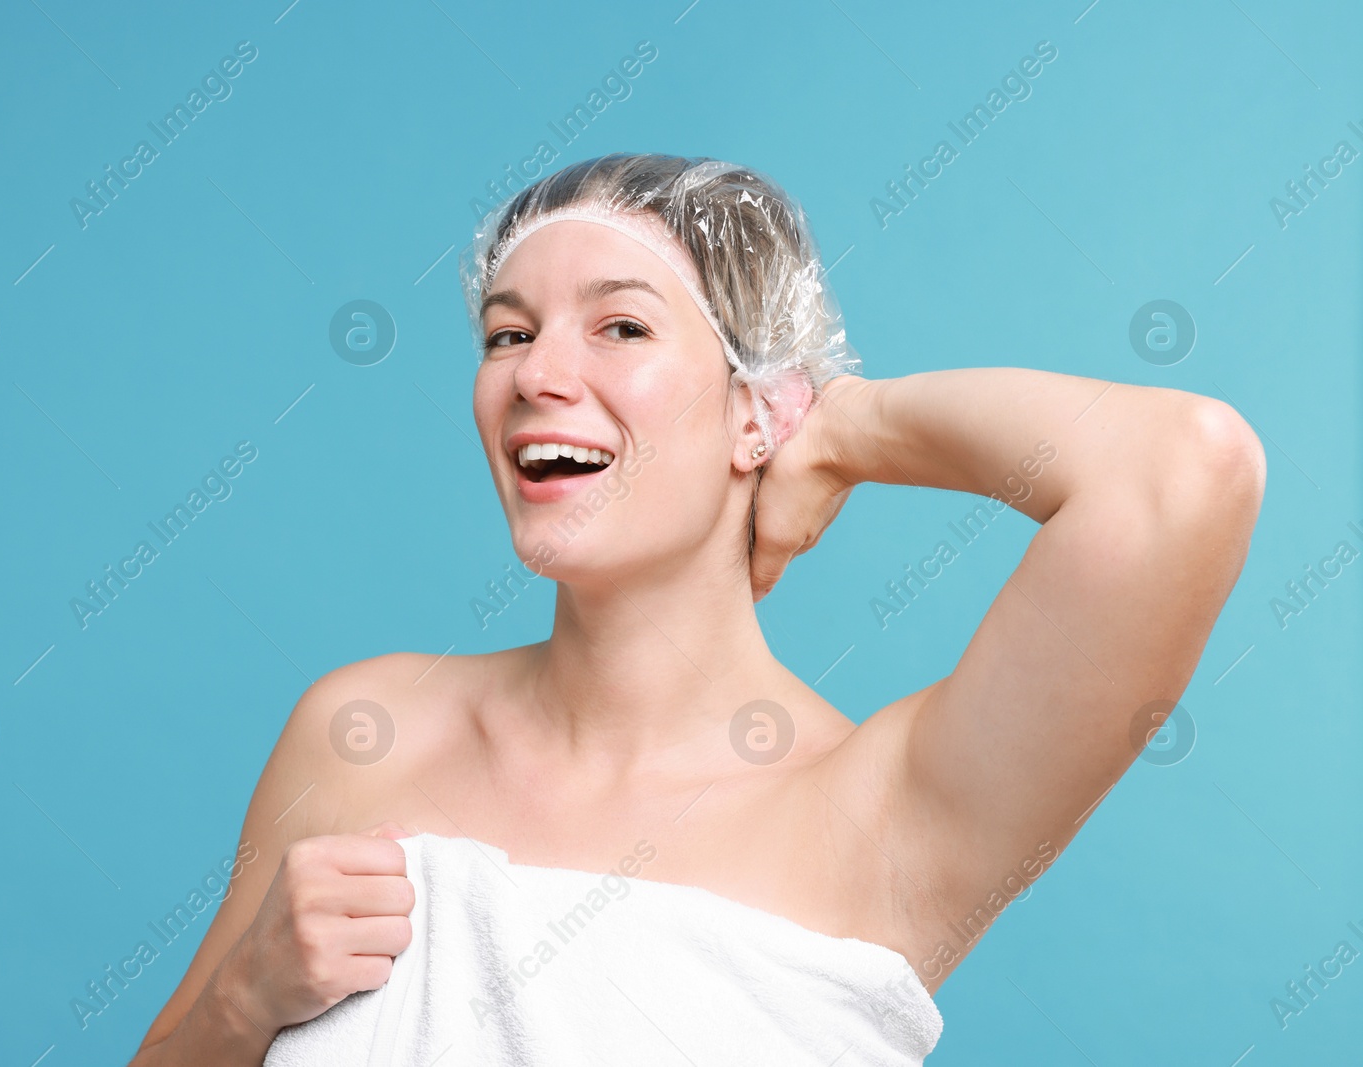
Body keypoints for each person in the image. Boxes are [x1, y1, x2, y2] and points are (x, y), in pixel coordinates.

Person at [129, 153, 1265, 1064]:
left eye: (620, 326)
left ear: (758, 407)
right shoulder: (366, 727)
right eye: (508, 333)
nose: (534, 373)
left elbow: (1185, 472)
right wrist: (243, 999)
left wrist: (853, 425)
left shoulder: (879, 813)